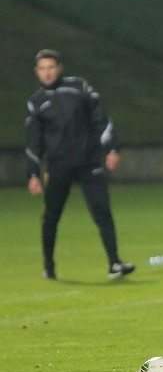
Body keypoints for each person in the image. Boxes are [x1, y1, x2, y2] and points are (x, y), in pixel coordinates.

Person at [25, 49, 135, 281]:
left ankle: (115, 263)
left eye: (51, 67)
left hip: (88, 162)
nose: (47, 73)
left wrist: (111, 149)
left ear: (59, 68)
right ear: (37, 72)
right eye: (42, 69)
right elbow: (34, 142)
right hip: (58, 167)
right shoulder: (36, 103)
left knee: (102, 211)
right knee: (51, 216)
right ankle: (49, 266)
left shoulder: (78, 88)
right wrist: (33, 174)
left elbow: (100, 118)